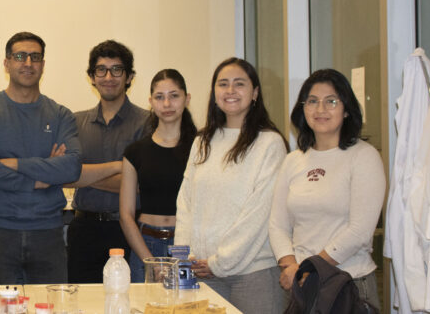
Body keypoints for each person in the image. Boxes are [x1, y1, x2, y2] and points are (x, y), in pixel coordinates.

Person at [0, 31, 82, 284]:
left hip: (48, 232)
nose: (28, 63)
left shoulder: (61, 115)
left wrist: (14, 163)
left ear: (43, 64)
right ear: (6, 63)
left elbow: (71, 168)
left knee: (50, 305)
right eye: (20, 56)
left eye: (35, 57)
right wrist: (40, 177)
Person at [174, 57, 289, 313]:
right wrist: (183, 258)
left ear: (255, 92)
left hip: (252, 274)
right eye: (223, 83)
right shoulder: (202, 141)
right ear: (214, 92)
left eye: (239, 84)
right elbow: (186, 203)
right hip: (201, 270)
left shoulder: (269, 143)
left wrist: (220, 262)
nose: (230, 90)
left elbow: (259, 214)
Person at [269, 69, 385, 308]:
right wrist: (291, 266)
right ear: (303, 109)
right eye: (312, 101)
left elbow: (359, 231)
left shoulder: (364, 156)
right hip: (301, 285)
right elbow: (277, 224)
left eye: (331, 101)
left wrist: (310, 269)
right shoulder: (293, 160)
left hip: (349, 284)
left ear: (346, 109)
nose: (320, 109)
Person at [66, 40, 148, 283]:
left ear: (129, 76)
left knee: (129, 299)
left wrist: (84, 176)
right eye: (101, 70)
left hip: (130, 231)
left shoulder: (147, 123)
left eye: (117, 70)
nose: (108, 77)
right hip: (84, 230)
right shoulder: (75, 122)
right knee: (82, 301)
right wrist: (118, 168)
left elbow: (142, 185)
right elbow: (65, 175)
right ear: (92, 77)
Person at [120, 69, 197, 282]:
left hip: (188, 245)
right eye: (159, 97)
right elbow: (126, 215)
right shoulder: (135, 152)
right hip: (145, 245)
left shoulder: (201, 148)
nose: (167, 104)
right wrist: (151, 263)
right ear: (151, 102)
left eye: (174, 96)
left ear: (187, 99)